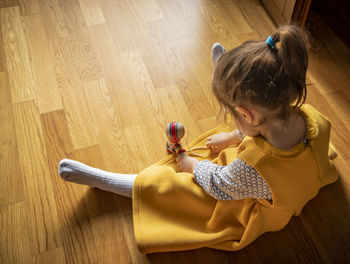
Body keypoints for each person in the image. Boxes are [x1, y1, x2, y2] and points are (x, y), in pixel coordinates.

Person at [59, 25, 338, 254]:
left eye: (234, 114)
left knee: (183, 191)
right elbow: (262, 131)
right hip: (299, 174)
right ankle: (235, 78)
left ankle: (111, 181)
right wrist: (233, 135)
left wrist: (188, 163)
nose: (233, 120)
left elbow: (219, 185)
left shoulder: (253, 169)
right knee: (243, 137)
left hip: (263, 201)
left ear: (247, 113)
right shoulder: (308, 115)